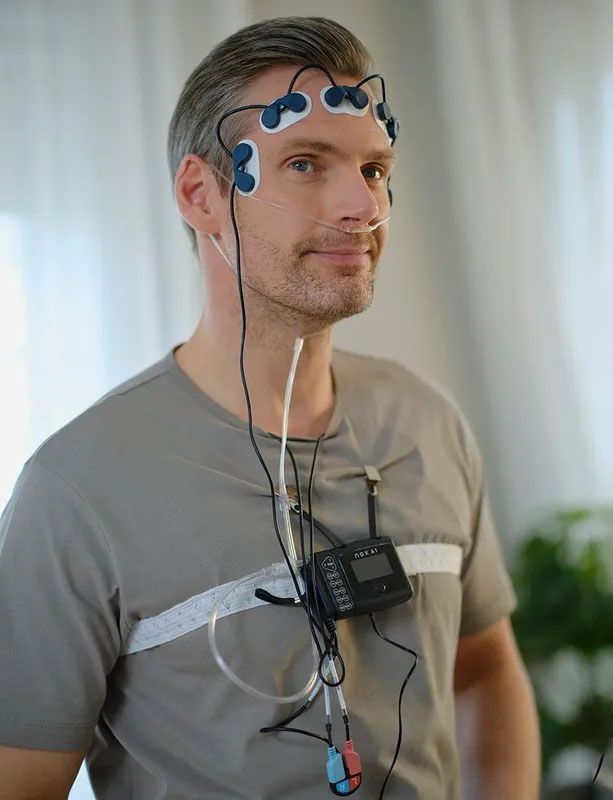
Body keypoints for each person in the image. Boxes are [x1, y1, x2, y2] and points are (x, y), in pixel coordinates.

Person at [0, 16, 540, 800]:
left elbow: (484, 672)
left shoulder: (426, 423)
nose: (364, 204)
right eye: (305, 164)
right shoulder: (77, 490)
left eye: (375, 168)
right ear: (201, 195)